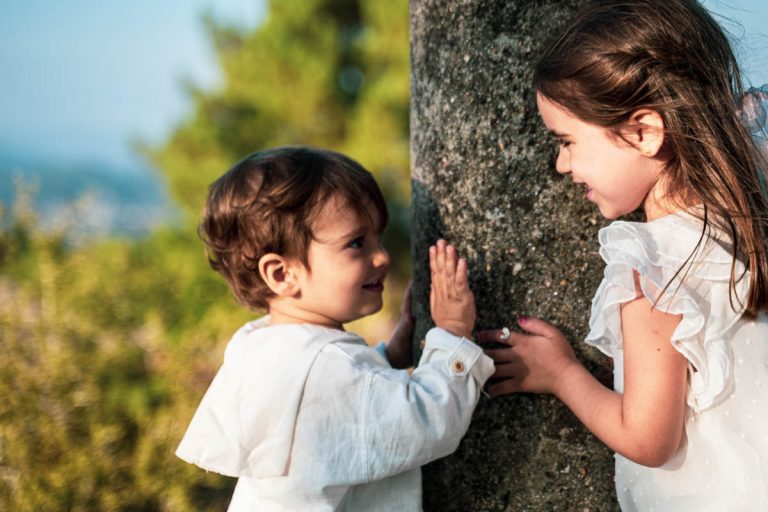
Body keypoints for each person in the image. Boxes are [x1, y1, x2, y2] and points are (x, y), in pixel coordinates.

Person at [477, 1, 768, 510]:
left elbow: (649, 439)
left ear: (644, 132)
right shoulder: (747, 228)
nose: (562, 164)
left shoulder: (650, 263)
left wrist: (561, 374)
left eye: (567, 141)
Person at [176, 146, 493, 511]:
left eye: (379, 237)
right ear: (282, 273)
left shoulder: (258, 343)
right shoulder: (327, 367)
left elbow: (339, 396)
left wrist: (389, 355)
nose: (382, 256)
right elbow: (427, 422)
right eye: (356, 243)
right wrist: (452, 335)